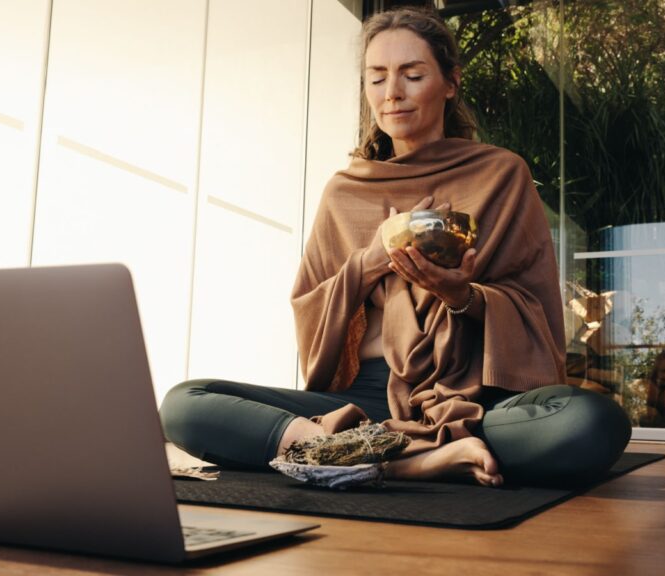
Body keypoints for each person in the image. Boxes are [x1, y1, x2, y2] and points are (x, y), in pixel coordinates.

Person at [161, 7, 631, 488]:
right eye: (377, 78)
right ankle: (411, 460)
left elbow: (534, 308)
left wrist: (461, 295)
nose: (393, 94)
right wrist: (369, 263)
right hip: (363, 397)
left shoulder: (501, 175)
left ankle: (351, 452)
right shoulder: (344, 192)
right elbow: (311, 308)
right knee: (185, 404)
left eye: (412, 75)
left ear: (450, 82)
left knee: (591, 423)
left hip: (471, 395)